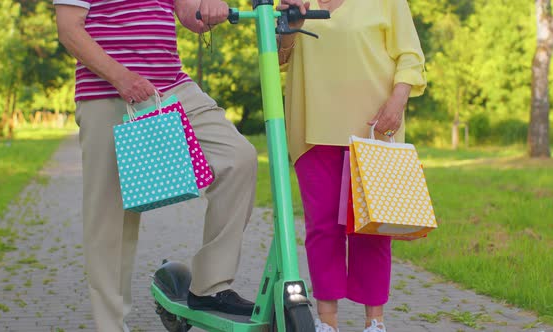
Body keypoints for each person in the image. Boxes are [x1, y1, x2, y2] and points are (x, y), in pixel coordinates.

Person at [53, 1, 258, 331]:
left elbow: (192, 16)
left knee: (239, 158)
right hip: (107, 92)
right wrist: (121, 77)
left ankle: (209, 286)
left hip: (171, 87)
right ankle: (111, 325)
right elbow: (69, 29)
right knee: (111, 222)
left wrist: (212, 9)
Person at [277, 0, 427, 331]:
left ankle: (375, 322)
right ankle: (327, 321)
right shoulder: (295, 1)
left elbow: (410, 55)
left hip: (375, 126)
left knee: (372, 229)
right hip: (313, 127)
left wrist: (398, 101)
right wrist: (289, 25)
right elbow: (277, 58)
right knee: (323, 228)